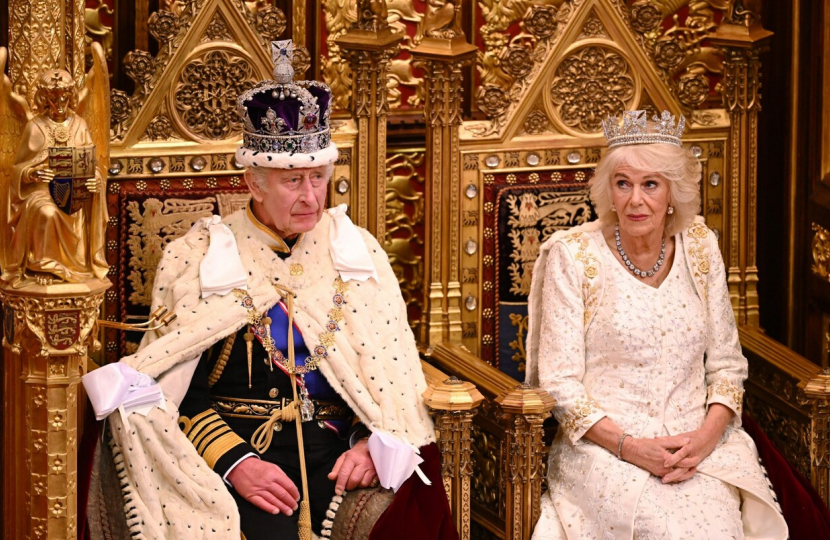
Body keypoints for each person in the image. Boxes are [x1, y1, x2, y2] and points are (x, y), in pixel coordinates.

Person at [82, 40, 457, 540]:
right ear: (254, 183)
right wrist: (237, 464)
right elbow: (171, 391)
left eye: (318, 178)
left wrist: (372, 441)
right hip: (233, 455)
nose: (310, 197)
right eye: (292, 181)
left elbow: (391, 377)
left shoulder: (358, 253)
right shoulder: (196, 257)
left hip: (339, 454)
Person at [525, 110, 788, 539]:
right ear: (608, 191)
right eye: (623, 183)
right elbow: (560, 386)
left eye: (651, 184)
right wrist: (632, 447)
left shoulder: (701, 247)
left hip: (700, 448)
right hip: (604, 451)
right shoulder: (573, 257)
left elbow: (726, 366)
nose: (635, 200)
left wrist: (704, 439)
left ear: (673, 193)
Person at [2, 69, 107, 287]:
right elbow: (16, 170)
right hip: (41, 192)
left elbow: (92, 164)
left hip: (74, 193)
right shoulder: (35, 126)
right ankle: (44, 265)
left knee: (73, 209)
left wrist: (95, 179)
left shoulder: (80, 124)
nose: (59, 103)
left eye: (64, 97)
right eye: (53, 97)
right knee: (47, 212)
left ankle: (76, 266)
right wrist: (32, 173)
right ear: (43, 98)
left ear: (71, 96)